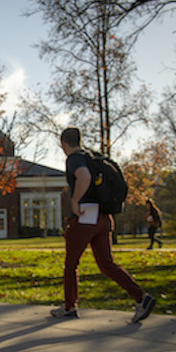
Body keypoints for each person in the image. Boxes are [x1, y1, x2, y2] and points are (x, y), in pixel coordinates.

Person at [51, 127, 156, 323]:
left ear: (63, 143)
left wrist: (75, 201)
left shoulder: (74, 159)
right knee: (107, 264)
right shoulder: (92, 157)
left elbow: (84, 176)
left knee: (71, 264)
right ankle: (142, 297)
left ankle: (69, 307)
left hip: (84, 217)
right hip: (104, 217)